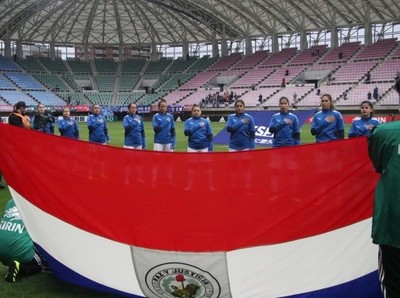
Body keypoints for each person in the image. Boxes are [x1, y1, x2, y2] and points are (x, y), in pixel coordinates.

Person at [367, 78, 400, 298]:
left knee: (394, 285)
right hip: (392, 227)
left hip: (393, 226)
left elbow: (379, 165)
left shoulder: (382, 133)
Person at [0, 199, 45, 282]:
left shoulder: (10, 202)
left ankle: (15, 263)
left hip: (1, 251)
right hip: (18, 250)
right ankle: (21, 268)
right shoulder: (35, 204)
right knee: (41, 264)